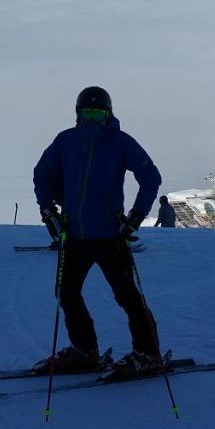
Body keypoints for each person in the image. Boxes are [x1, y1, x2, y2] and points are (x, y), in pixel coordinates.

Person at [32, 86, 163, 379]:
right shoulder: (65, 140)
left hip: (110, 236)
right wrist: (48, 211)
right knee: (66, 293)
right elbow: (41, 173)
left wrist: (136, 218)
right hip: (74, 235)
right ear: (78, 114)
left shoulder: (120, 142)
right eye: (87, 113)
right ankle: (84, 350)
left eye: (97, 113)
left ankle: (148, 354)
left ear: (108, 114)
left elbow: (151, 178)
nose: (92, 119)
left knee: (127, 296)